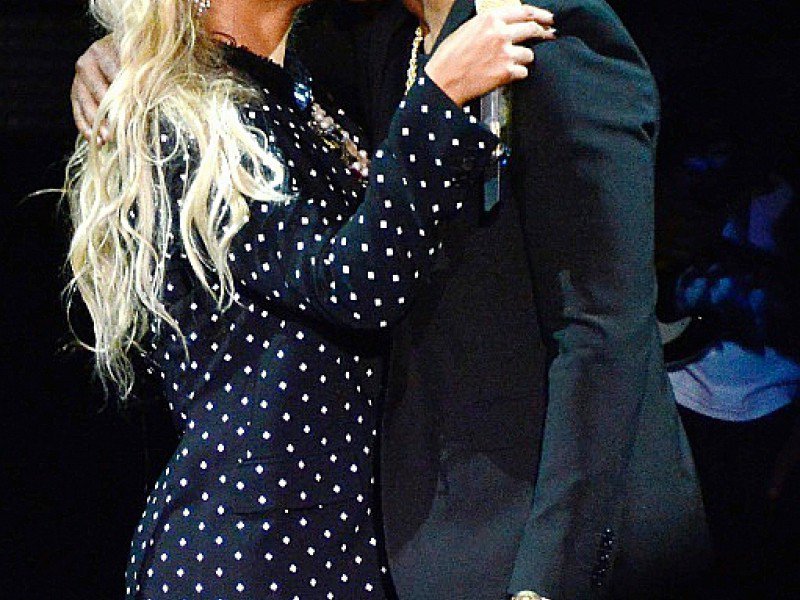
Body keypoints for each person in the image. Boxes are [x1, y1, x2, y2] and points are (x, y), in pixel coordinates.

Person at [72, 1, 711, 598]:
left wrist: (548, 578)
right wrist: (136, 45)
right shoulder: (199, 115)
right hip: (262, 541)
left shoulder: (533, 31)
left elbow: (603, 326)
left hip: (463, 546)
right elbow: (351, 280)